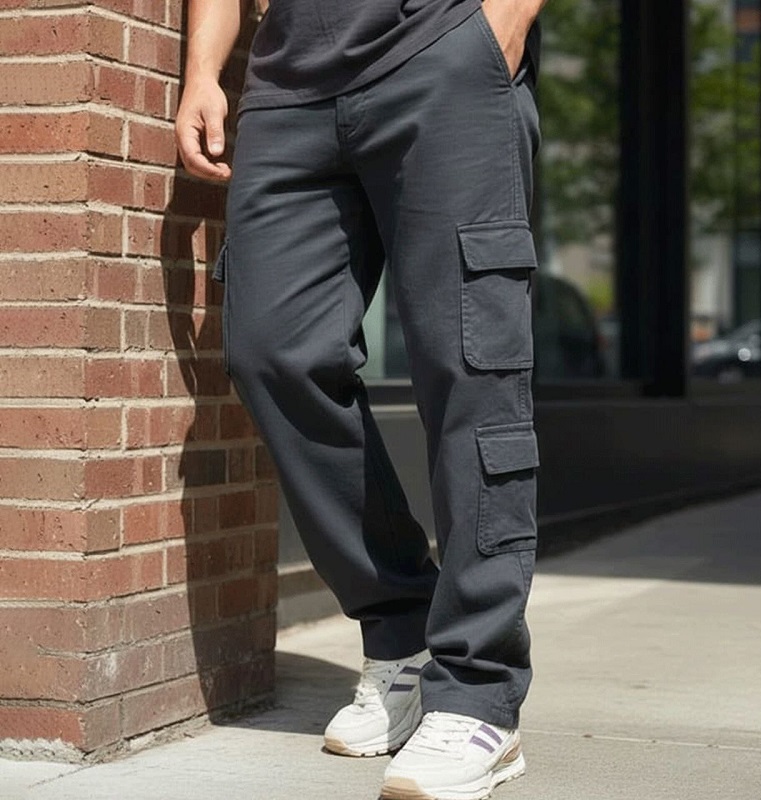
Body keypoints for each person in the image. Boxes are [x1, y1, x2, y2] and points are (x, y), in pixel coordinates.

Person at [175, 1, 545, 797]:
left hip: (441, 50)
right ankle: (401, 629)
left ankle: (478, 692)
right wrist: (203, 69)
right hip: (288, 83)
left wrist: (505, 22)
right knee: (272, 353)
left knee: (470, 372)